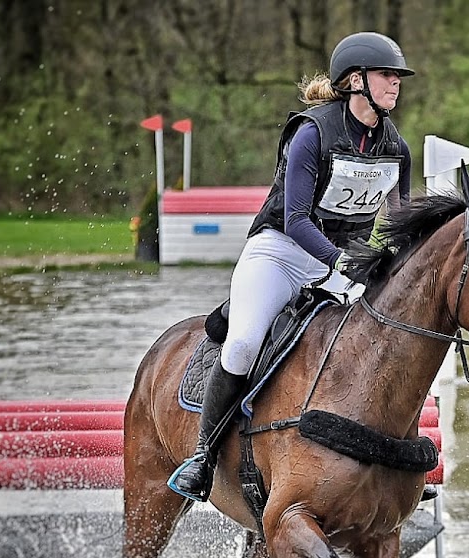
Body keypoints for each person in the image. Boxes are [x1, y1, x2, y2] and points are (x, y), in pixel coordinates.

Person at [168, 31, 416, 502]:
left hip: (343, 266)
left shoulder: (395, 148)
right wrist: (341, 261)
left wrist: (394, 263)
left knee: (385, 340)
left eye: (397, 78)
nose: (395, 84)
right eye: (387, 75)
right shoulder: (312, 133)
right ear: (355, 81)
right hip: (281, 254)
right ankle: (202, 456)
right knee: (241, 344)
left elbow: (398, 221)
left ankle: (385, 463)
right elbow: (296, 218)